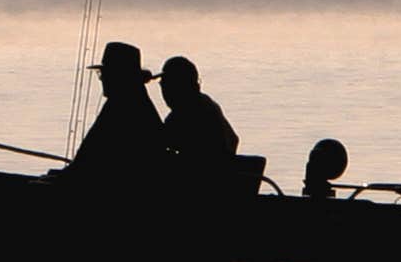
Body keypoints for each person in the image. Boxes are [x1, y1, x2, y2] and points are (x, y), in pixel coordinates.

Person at [56, 41, 168, 194]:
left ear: (119, 75)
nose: (102, 79)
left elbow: (88, 156)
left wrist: (64, 178)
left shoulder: (123, 105)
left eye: (105, 73)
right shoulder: (131, 99)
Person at [158, 55, 259, 197]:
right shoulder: (205, 103)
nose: (163, 91)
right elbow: (233, 139)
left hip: (203, 190)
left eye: (165, 85)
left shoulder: (187, 111)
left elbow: (157, 142)